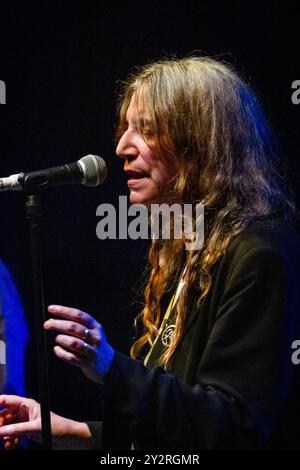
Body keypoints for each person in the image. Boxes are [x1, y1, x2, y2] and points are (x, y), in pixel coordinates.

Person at [1, 55, 300, 450]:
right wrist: (71, 431)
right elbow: (182, 431)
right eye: (125, 128)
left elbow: (234, 427)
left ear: (200, 142)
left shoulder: (259, 254)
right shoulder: (190, 254)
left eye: (146, 129)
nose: (122, 146)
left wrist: (112, 368)